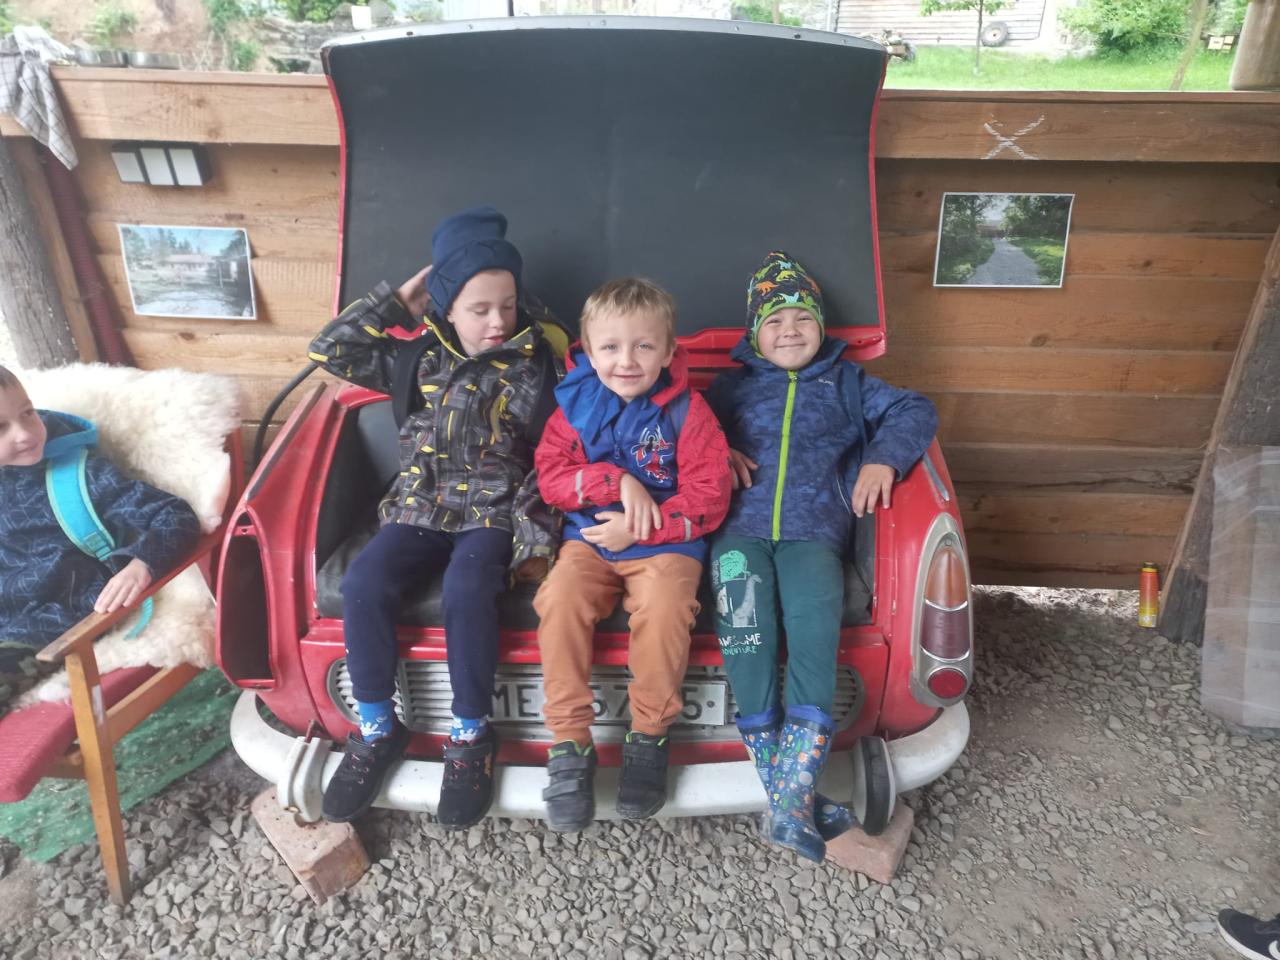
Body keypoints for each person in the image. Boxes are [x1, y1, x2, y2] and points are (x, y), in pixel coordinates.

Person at [307, 207, 563, 829]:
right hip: (419, 505)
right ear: (446, 306)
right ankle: (376, 727)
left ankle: (470, 735)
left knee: (469, 589)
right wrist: (394, 303)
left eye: (508, 305)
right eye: (480, 309)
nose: (498, 321)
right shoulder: (415, 359)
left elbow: (552, 453)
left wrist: (533, 535)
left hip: (492, 512)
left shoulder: (536, 365)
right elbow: (330, 349)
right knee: (364, 583)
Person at [706, 250, 938, 862]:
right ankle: (796, 803)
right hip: (737, 537)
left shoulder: (848, 383)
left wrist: (883, 458)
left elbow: (915, 409)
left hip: (816, 537)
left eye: (803, 318)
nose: (790, 330)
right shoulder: (730, 387)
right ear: (755, 332)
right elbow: (686, 425)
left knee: (814, 633)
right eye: (775, 320)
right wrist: (714, 449)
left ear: (821, 327)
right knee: (747, 638)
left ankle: (791, 801)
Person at [532, 277, 732, 831]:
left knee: (667, 609)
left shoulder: (689, 411)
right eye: (611, 347)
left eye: (644, 346)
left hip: (669, 544)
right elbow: (551, 478)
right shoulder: (572, 408)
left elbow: (711, 494)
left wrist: (644, 525)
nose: (626, 361)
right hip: (591, 540)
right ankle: (570, 742)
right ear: (589, 351)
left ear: (668, 352)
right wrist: (617, 481)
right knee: (559, 599)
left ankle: (649, 735)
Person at [0, 364, 200, 710]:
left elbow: (174, 515)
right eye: (1, 427)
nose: (25, 433)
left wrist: (140, 564)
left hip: (51, 622)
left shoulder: (82, 477)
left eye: (28, 413)